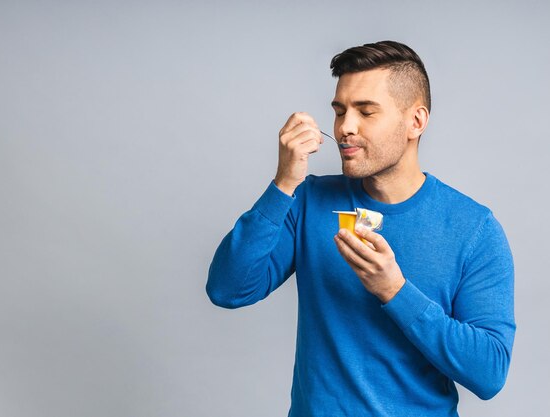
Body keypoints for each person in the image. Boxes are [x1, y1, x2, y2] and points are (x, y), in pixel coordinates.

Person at [206, 40, 515, 416]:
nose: (344, 128)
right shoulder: (308, 200)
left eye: (366, 112)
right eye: (340, 111)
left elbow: (489, 373)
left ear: (415, 122)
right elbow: (228, 289)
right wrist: (283, 184)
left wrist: (395, 291)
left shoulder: (474, 229)